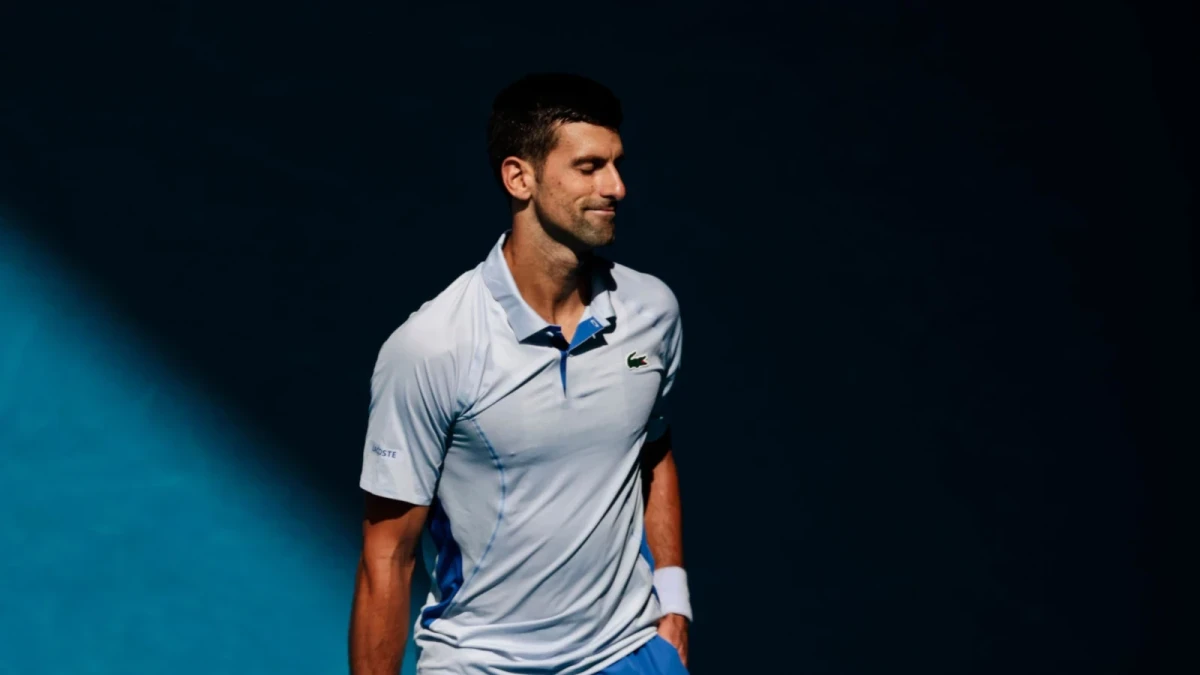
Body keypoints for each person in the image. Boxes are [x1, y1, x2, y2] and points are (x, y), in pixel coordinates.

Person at [349, 73, 690, 675]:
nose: (617, 186)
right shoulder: (432, 347)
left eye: (615, 164)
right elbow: (388, 557)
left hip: (630, 657)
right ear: (519, 177)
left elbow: (653, 449)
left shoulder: (652, 311)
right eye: (589, 167)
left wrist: (674, 609)